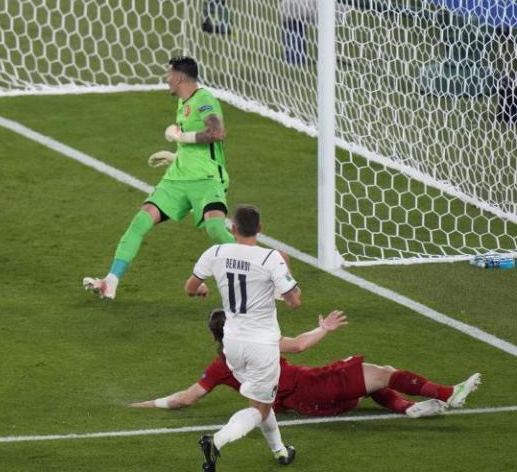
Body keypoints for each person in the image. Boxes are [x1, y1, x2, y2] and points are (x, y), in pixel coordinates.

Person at [130, 308, 481, 419]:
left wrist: (145, 403)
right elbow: (297, 345)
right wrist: (324, 328)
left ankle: (408, 409)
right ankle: (449, 394)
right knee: (384, 373)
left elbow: (187, 398)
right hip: (309, 385)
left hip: (302, 404)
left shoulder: (221, 364)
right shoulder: (256, 339)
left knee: (370, 379)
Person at [83, 56, 233, 300]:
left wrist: (180, 137)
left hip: (206, 179)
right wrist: (175, 157)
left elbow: (216, 133)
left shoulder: (204, 99)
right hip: (176, 180)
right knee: (140, 222)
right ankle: (110, 281)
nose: (166, 80)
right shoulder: (183, 103)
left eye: (168, 75)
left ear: (178, 77)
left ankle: (266, 268)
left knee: (216, 229)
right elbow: (193, 144)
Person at [186, 204, 301, 471]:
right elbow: (294, 300)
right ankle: (216, 440)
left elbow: (190, 287)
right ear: (259, 229)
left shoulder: (215, 252)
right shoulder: (271, 258)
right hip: (261, 346)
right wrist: (286, 270)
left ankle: (280, 451)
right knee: (259, 409)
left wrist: (201, 287)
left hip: (232, 345)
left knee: (261, 400)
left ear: (233, 228)